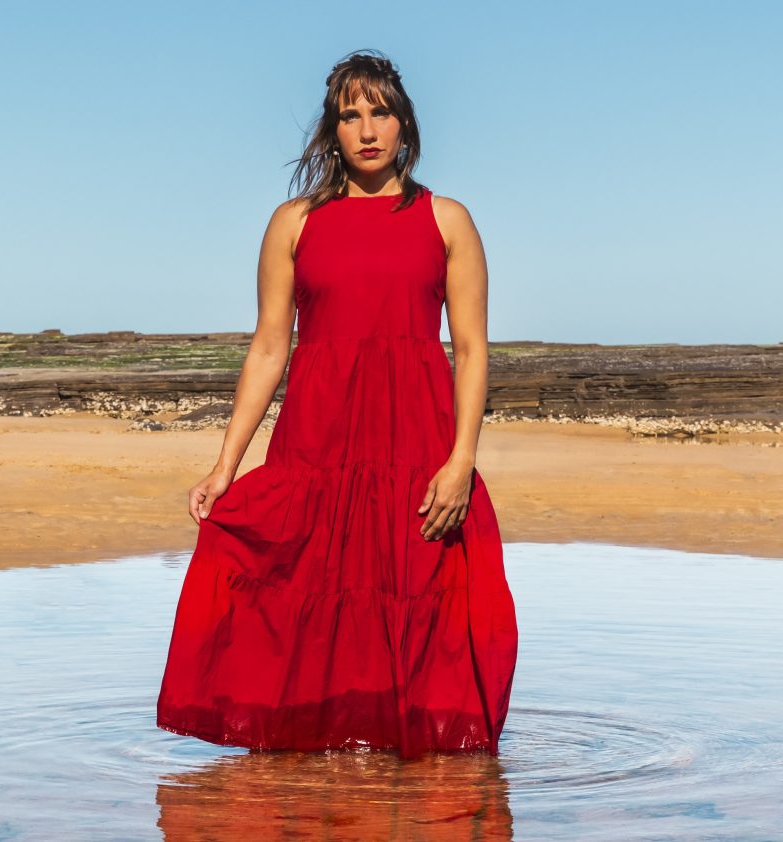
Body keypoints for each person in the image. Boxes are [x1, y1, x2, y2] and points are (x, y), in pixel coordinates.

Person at [156, 49, 518, 759]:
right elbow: (268, 348)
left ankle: (406, 786)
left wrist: (461, 461)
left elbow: (471, 350)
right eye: (350, 116)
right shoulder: (294, 223)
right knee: (305, 601)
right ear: (333, 132)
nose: (367, 129)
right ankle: (317, 778)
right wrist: (224, 466)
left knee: (417, 607)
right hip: (317, 444)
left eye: (380, 111)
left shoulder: (447, 221)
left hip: (416, 446)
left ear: (404, 124)